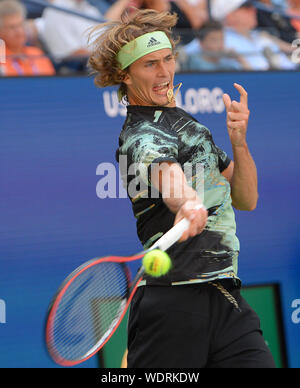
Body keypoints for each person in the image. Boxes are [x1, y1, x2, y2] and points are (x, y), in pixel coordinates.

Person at [88, 9, 276, 368]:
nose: (163, 73)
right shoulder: (139, 135)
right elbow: (165, 172)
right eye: (149, 65)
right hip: (173, 303)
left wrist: (239, 141)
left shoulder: (189, 126)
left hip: (225, 296)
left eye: (168, 59)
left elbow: (247, 198)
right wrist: (187, 202)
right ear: (125, 75)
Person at [0, 0, 55, 76]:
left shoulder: (37, 54)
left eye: (21, 25)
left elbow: (51, 85)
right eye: (12, 27)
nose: (19, 32)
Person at [182, 20, 251, 71]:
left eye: (222, 39)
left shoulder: (227, 66)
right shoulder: (190, 61)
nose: (220, 44)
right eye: (214, 40)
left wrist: (239, 58)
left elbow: (252, 78)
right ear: (201, 43)